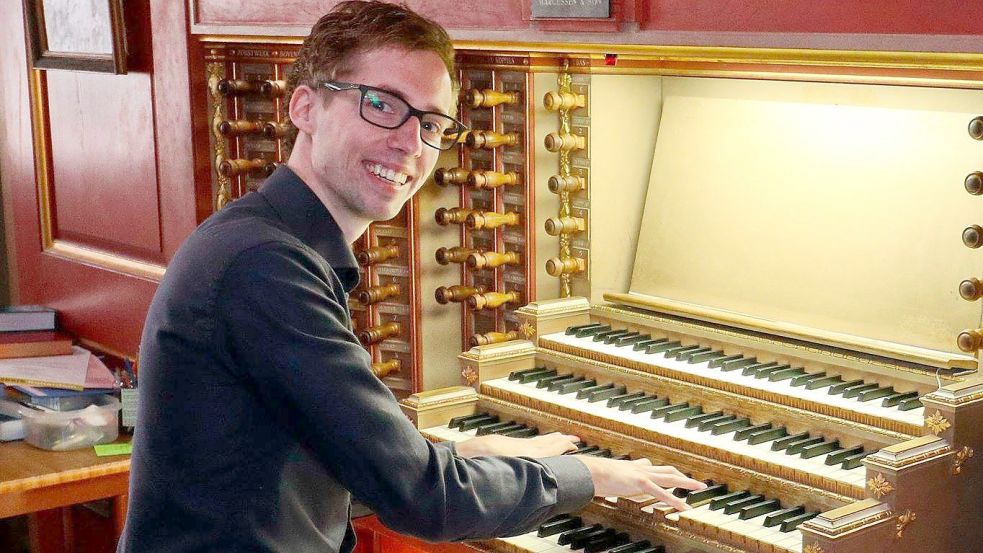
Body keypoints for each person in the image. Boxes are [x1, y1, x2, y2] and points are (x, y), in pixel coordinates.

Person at [117, 2, 704, 552]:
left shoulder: (264, 239)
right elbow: (427, 500)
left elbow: (319, 459)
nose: (409, 143)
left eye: (431, 123)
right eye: (381, 103)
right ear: (304, 108)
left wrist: (466, 451)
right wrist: (586, 475)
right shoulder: (264, 267)